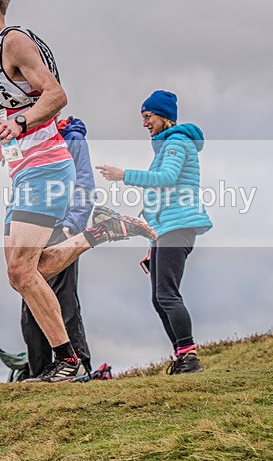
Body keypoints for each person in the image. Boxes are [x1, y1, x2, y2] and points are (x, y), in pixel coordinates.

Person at [0, 0, 156, 382]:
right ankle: (102, 232)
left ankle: (68, 362)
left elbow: (56, 96)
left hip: (46, 168)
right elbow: (15, 118)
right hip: (22, 170)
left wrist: (20, 125)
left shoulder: (13, 40)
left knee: (21, 273)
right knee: (28, 273)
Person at [97, 90, 212, 375]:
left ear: (163, 116)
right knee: (160, 296)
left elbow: (166, 179)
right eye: (143, 118)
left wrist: (124, 175)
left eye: (148, 117)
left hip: (178, 227)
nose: (145, 123)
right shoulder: (168, 147)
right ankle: (183, 357)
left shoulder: (176, 142)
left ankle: (189, 357)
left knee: (167, 294)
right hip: (167, 229)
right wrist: (152, 237)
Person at [21, 115, 94, 378]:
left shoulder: (73, 138)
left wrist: (72, 225)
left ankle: (80, 366)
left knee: (64, 298)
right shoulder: (33, 139)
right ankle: (40, 370)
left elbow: (84, 183)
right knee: (31, 297)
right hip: (34, 226)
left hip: (62, 226)